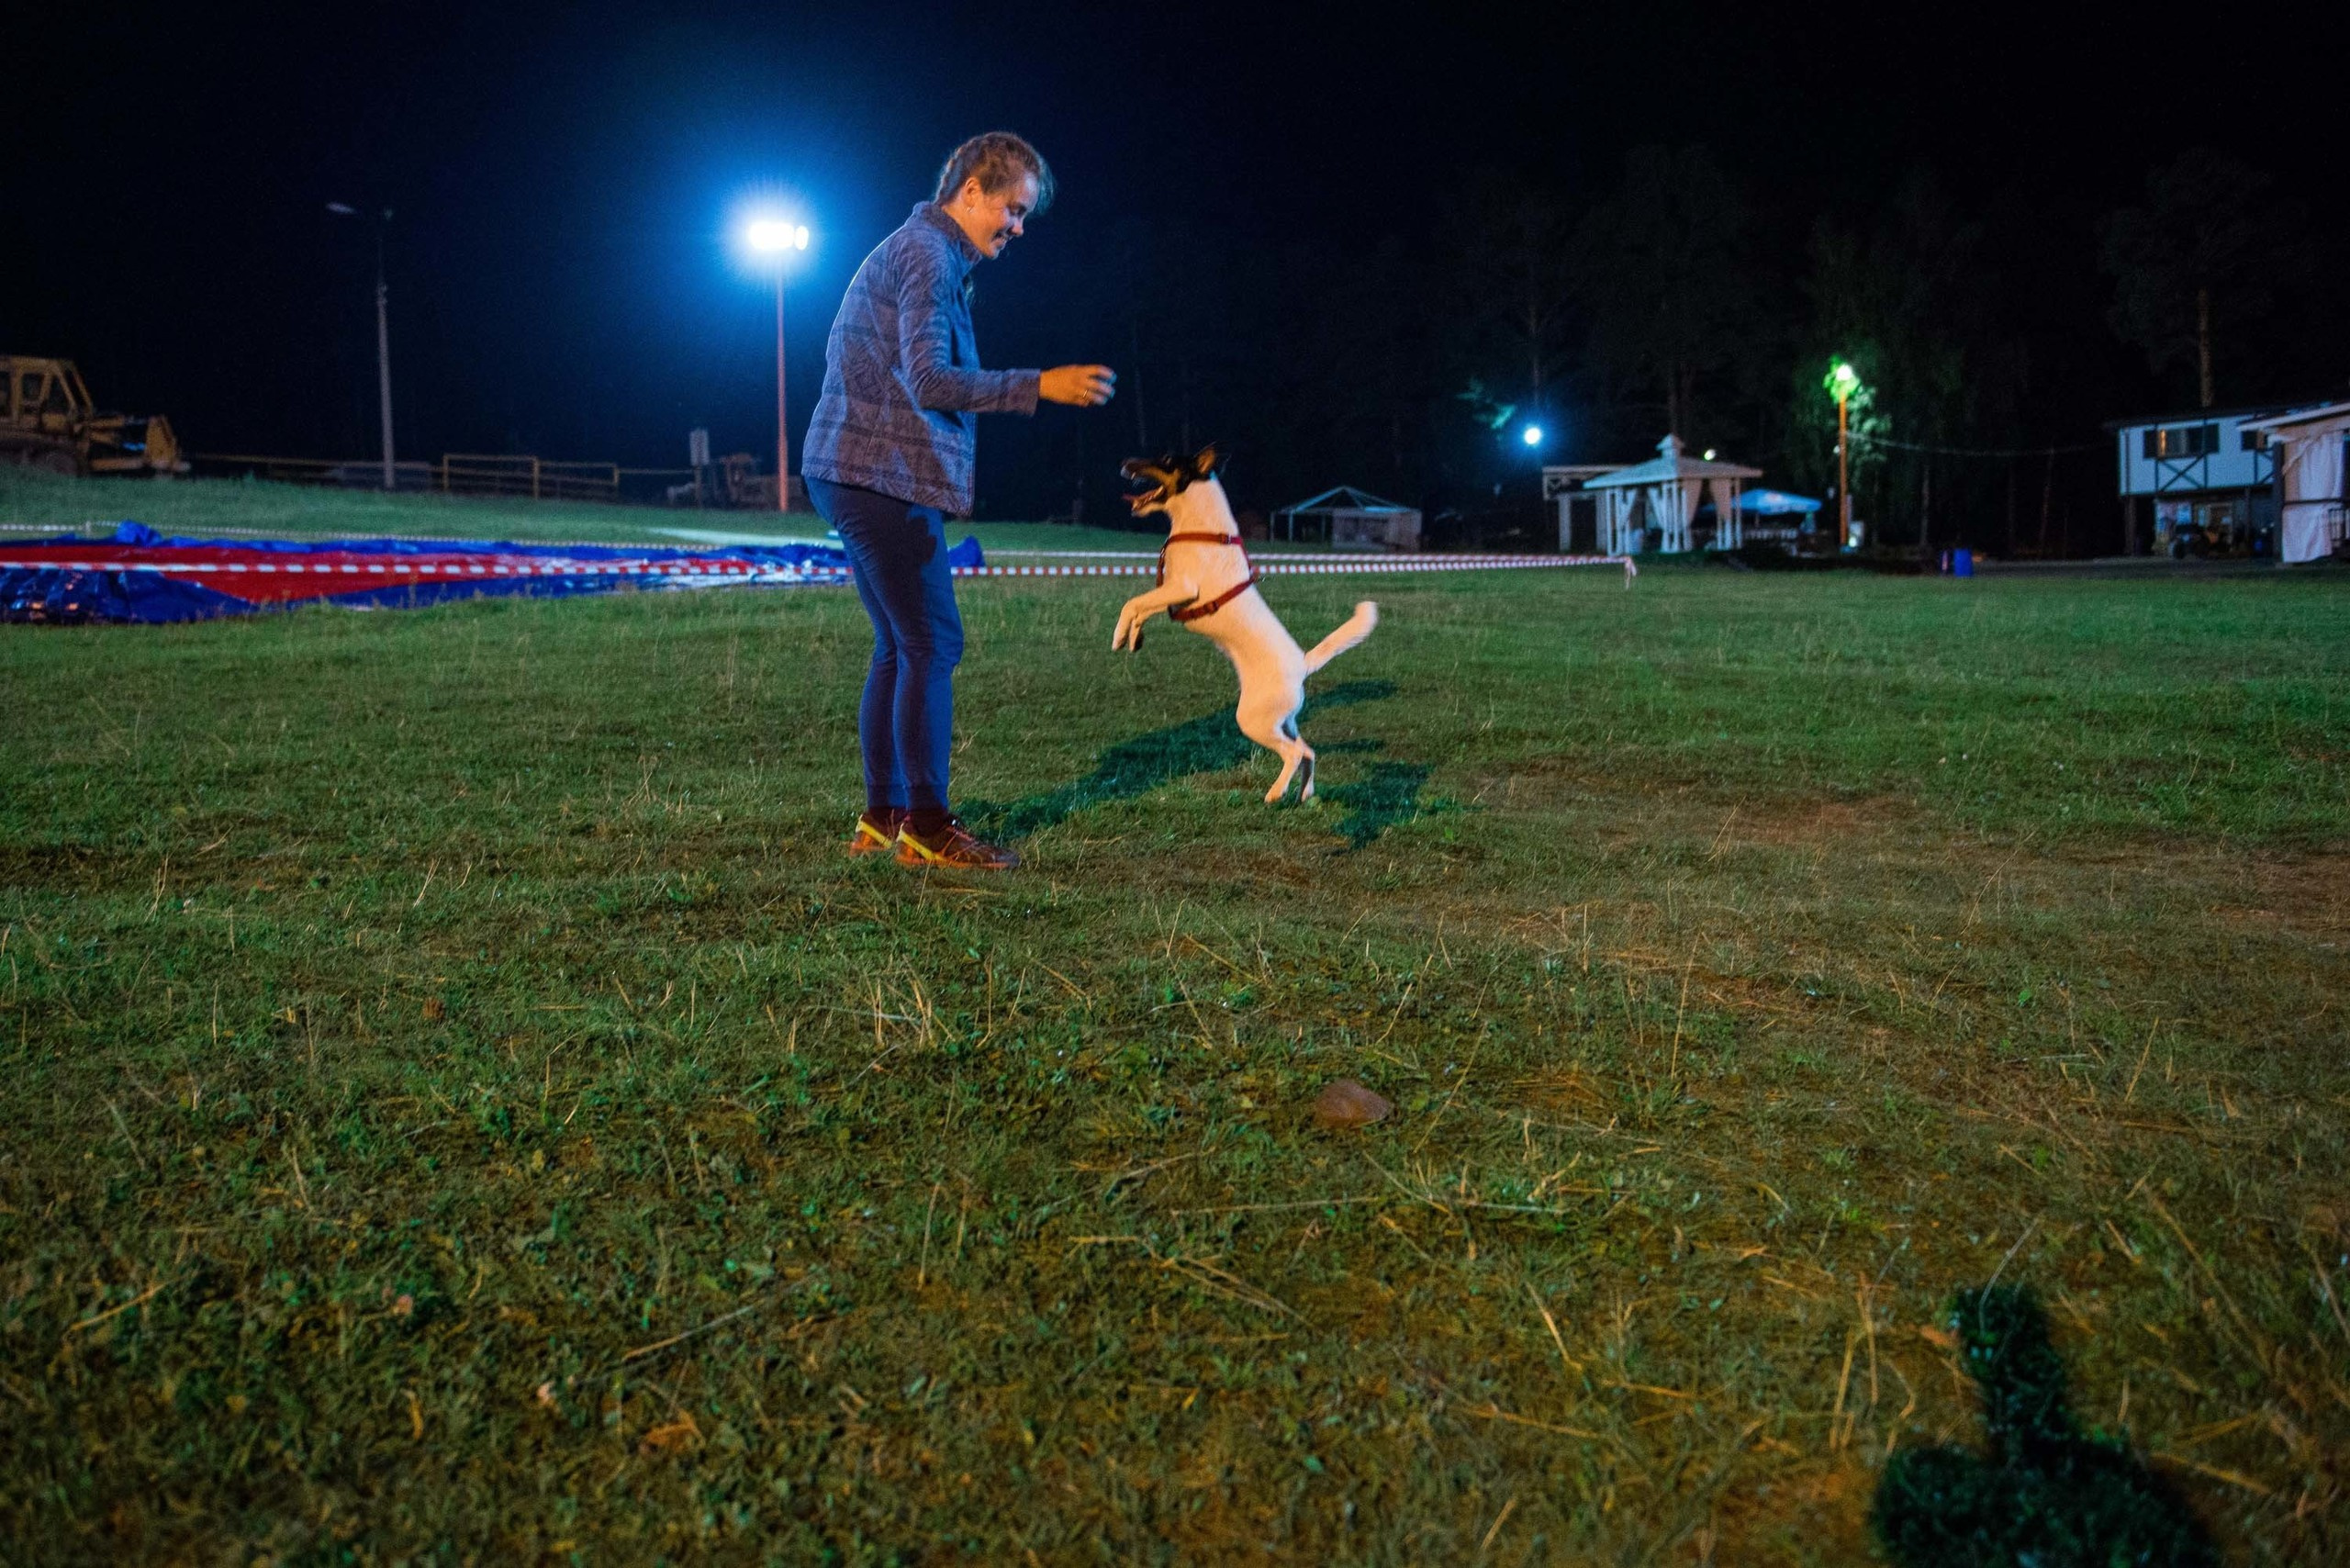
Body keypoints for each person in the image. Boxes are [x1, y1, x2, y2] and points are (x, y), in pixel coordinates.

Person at [801, 131, 1114, 870]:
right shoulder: (927, 255)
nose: (1018, 227)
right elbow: (931, 380)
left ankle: (884, 817)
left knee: (900, 647)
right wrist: (1036, 384)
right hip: (879, 477)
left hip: (851, 470)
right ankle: (929, 829)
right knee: (933, 645)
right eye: (1012, 208)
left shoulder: (919, 252)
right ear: (970, 189)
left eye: (1024, 214)